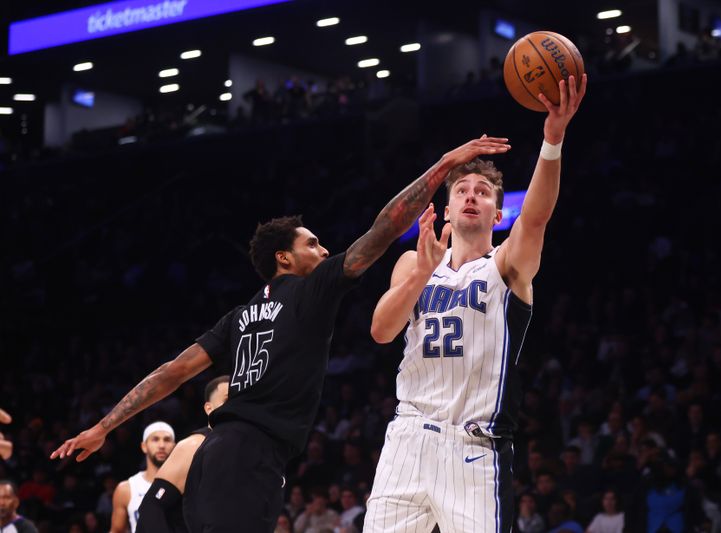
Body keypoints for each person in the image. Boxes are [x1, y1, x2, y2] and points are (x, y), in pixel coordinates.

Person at [51, 134, 511, 532]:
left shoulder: (238, 316)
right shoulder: (310, 294)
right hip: (250, 455)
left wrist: (103, 426)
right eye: (312, 243)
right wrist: (446, 164)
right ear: (284, 259)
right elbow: (386, 227)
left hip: (216, 454)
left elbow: (171, 373)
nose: (324, 248)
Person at [365, 74, 587, 533]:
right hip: (408, 436)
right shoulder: (414, 262)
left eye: (483, 193)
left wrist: (553, 139)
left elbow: (539, 215)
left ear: (497, 214)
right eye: (461, 190)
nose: (471, 196)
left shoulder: (507, 265)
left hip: (473, 447)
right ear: (446, 210)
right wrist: (422, 274)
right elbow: (382, 331)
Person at [136, 376, 229, 533]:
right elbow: (152, 507)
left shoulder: (244, 451)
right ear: (209, 408)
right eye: (227, 400)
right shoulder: (195, 445)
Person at [110, 422, 176, 533]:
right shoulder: (126, 489)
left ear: (175, 446)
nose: (161, 445)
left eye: (167, 440)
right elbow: (116, 530)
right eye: (155, 439)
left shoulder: (186, 484)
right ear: (144, 446)